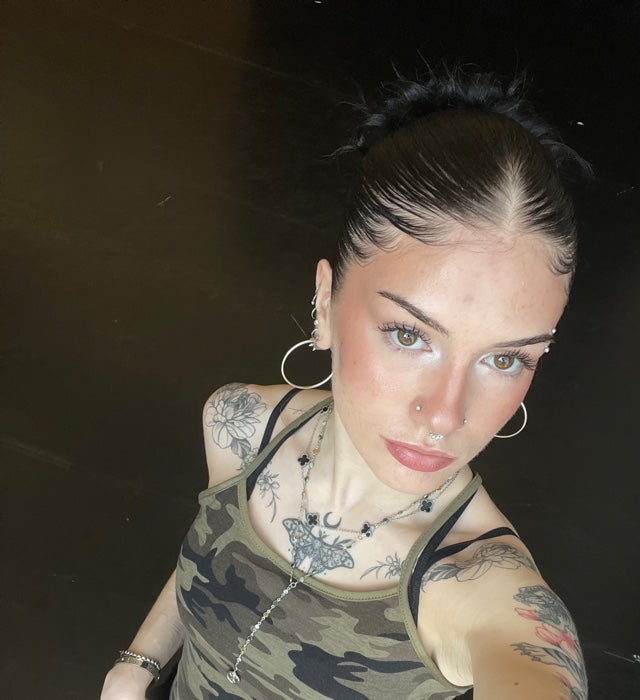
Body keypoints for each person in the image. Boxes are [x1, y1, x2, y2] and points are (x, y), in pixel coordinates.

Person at [101, 69, 589, 700]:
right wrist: (137, 665)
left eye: (506, 359)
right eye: (409, 335)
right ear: (326, 302)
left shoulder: (476, 584)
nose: (445, 415)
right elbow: (213, 550)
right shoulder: (241, 426)